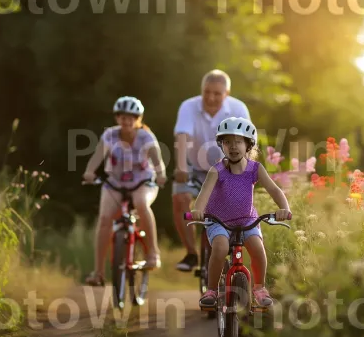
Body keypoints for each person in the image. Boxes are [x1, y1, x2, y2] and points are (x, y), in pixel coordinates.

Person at [190, 116, 292, 308]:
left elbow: (275, 190)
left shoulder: (255, 169)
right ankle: (211, 290)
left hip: (247, 220)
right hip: (218, 221)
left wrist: (284, 209)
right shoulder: (217, 170)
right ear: (222, 145)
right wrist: (198, 210)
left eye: (238, 141)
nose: (233, 146)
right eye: (227, 142)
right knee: (220, 248)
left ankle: (260, 289)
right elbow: (204, 194)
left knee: (257, 248)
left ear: (248, 145)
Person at [83, 96, 167, 286]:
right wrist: (89, 172)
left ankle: (153, 253)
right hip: (115, 184)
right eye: (123, 117)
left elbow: (157, 161)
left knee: (141, 204)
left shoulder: (146, 137)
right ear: (117, 118)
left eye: (131, 117)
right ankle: (98, 272)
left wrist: (161, 174)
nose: (127, 121)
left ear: (138, 118)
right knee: (104, 219)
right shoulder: (110, 136)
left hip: (142, 182)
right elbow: (97, 157)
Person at [172, 69, 251, 272]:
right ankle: (191, 253)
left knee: (225, 207)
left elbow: (247, 144)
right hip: (193, 167)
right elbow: (183, 138)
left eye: (217, 93)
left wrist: (241, 172)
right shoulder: (189, 106)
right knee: (180, 198)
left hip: (226, 168)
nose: (211, 97)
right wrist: (181, 166)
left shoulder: (238, 108)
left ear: (227, 93)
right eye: (207, 92)